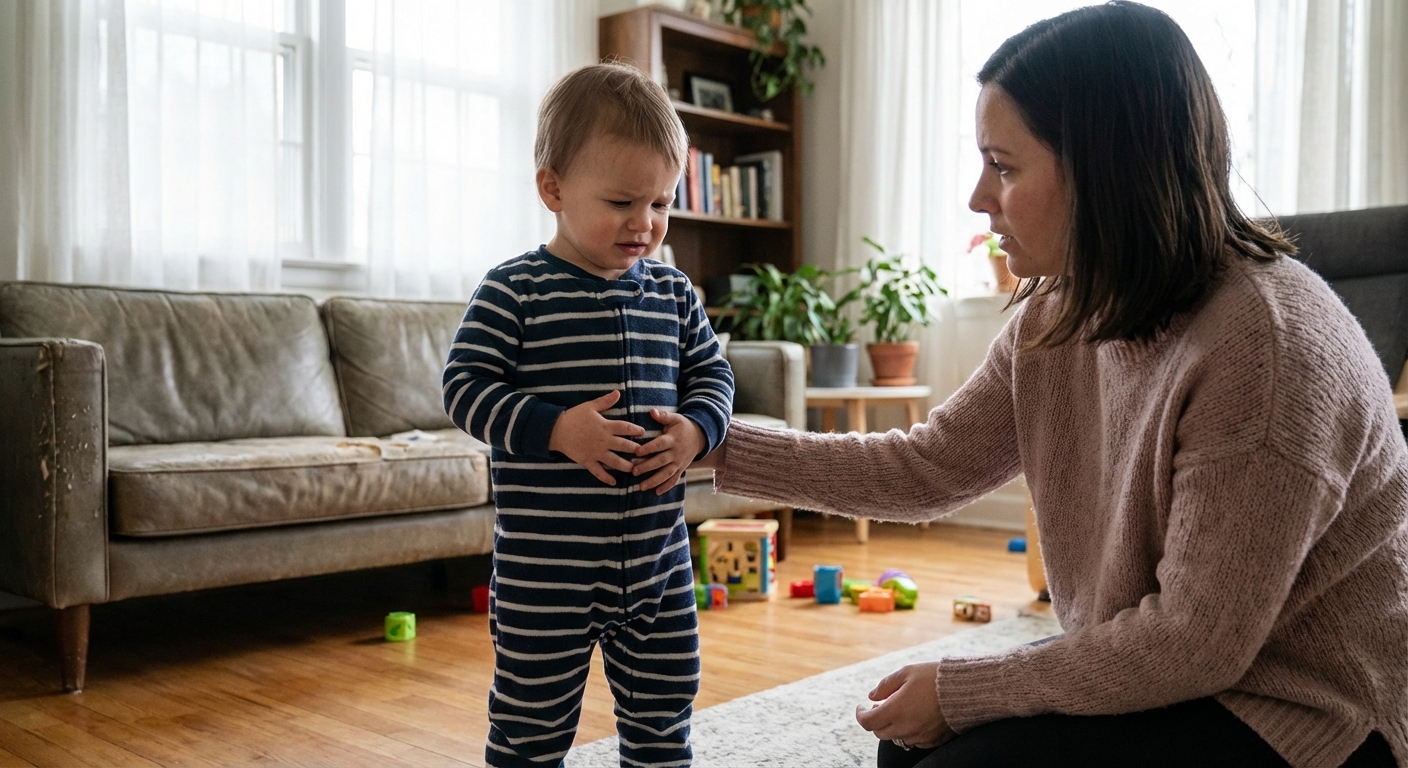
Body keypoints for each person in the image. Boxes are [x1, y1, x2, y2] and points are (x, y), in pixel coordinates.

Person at [664, 3, 1407, 766]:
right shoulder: (1061, 309)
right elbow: (926, 468)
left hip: (1301, 711)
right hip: (1181, 668)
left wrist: (963, 689)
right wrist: (710, 443)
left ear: (1103, 168)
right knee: (905, 745)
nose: (978, 197)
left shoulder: (1267, 345)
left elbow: (1196, 642)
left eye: (1005, 165)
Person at [444, 62, 734, 767]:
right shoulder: (515, 290)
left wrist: (699, 428)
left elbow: (714, 374)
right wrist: (556, 428)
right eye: (622, 203)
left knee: (665, 714)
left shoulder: (672, 291)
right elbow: (465, 387)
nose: (647, 225)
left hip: (660, 563)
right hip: (547, 573)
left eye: (661, 204)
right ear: (553, 188)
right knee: (530, 725)